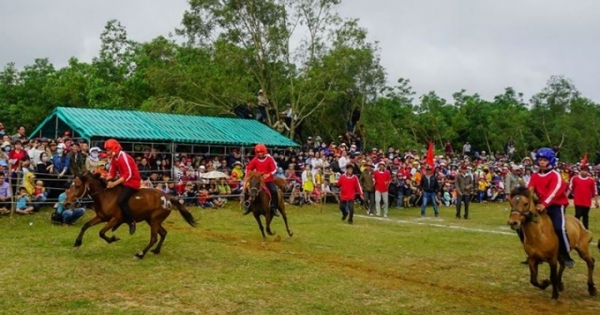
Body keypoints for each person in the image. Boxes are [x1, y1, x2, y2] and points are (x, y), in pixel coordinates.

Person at [527, 148, 574, 268]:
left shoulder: (556, 175)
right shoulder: (535, 175)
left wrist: (544, 204)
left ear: (551, 161)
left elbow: (555, 191)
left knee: (559, 228)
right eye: (540, 160)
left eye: (544, 160)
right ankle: (530, 251)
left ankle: (565, 253)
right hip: (539, 206)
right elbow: (530, 189)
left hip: (556, 206)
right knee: (523, 225)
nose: (542, 162)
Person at [104, 139, 141, 235]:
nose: (107, 152)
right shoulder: (114, 158)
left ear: (114, 149)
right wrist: (105, 177)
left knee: (121, 201)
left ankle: (131, 221)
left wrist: (114, 183)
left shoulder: (123, 157)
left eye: (108, 150)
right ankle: (118, 218)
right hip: (124, 181)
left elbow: (128, 174)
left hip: (132, 182)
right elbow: (112, 172)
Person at [243, 143, 280, 217]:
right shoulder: (255, 160)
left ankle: (274, 207)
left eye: (261, 152)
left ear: (264, 151)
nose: (260, 154)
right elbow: (249, 168)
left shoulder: (269, 158)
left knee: (274, 191)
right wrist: (249, 175)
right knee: (247, 189)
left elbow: (275, 168)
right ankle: (248, 205)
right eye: (258, 152)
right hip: (258, 180)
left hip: (268, 180)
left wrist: (269, 174)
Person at [567, 160, 598, 230]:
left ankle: (585, 229)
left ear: (588, 171)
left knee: (585, 215)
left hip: (587, 202)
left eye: (585, 170)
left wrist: (596, 202)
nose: (584, 172)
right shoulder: (575, 179)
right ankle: (575, 228)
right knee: (578, 214)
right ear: (580, 171)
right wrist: (566, 197)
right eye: (582, 170)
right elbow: (570, 188)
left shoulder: (591, 180)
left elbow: (594, 192)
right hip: (578, 201)